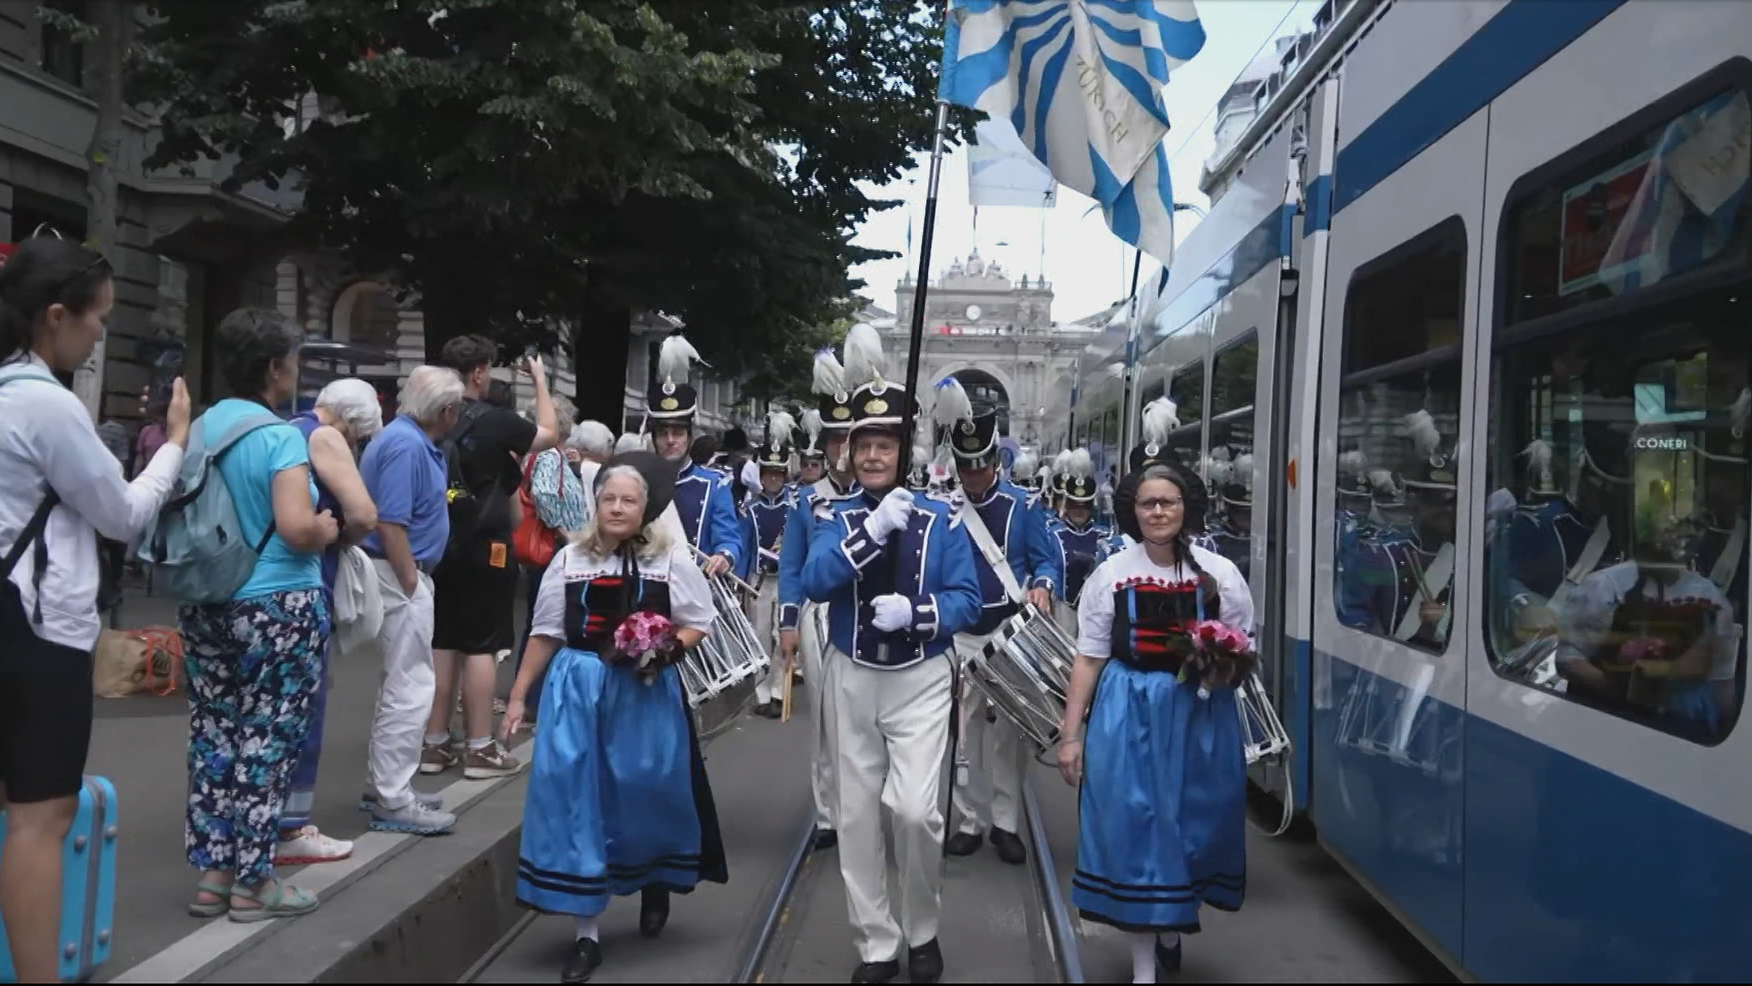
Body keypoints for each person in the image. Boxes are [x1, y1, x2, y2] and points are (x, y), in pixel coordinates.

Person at [0, 237, 189, 981]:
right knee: (39, 818)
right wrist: (173, 446)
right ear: (55, 316)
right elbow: (122, 514)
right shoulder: (47, 406)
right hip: (36, 630)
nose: (102, 330)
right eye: (98, 317)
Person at [502, 451, 727, 984]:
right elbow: (546, 632)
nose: (617, 507)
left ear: (644, 508)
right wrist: (517, 696)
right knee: (578, 798)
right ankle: (587, 935)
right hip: (578, 688)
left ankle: (653, 882)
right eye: (609, 499)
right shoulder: (569, 559)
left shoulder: (670, 560)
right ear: (595, 504)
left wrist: (661, 647)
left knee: (645, 789)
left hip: (644, 692)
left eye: (628, 500)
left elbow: (698, 622)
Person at [803, 324, 981, 985]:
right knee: (854, 814)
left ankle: (923, 928)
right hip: (852, 673)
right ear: (850, 452)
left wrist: (920, 614)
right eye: (864, 445)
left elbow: (967, 598)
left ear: (904, 451)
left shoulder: (942, 517)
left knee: (915, 811)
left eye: (885, 444)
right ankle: (877, 942)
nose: (874, 456)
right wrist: (872, 532)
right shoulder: (835, 514)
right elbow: (818, 580)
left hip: (921, 677)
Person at [1057, 461, 1255, 984]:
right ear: (1133, 512)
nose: (1159, 511)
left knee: (1188, 828)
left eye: (1168, 501)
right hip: (1128, 716)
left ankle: (1169, 927)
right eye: (1148, 503)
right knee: (1135, 827)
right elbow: (1089, 658)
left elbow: (1242, 647)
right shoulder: (1112, 574)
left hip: (1198, 717)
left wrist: (1218, 668)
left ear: (1186, 506)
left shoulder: (1219, 575)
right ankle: (1144, 966)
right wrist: (1070, 736)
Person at [179, 308, 340, 922]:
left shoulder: (201, 428)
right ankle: (255, 883)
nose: (295, 372)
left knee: (215, 736)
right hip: (276, 602)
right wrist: (325, 527)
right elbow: (297, 527)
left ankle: (213, 877)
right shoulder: (278, 436)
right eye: (294, 361)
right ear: (274, 367)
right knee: (267, 741)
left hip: (206, 599)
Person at [930, 376, 1060, 867]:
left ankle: (1005, 822)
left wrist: (1044, 585)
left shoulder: (1023, 506)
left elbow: (1045, 561)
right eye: (966, 466)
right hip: (960, 636)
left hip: (1010, 634)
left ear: (995, 461)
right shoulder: (946, 510)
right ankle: (967, 819)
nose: (973, 475)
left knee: (1010, 734)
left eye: (981, 465)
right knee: (963, 735)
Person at [424, 335, 559, 781]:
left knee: (443, 641)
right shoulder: (496, 422)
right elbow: (549, 434)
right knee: (481, 645)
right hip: (488, 545)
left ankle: (435, 742)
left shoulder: (433, 416)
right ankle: (480, 747)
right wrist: (539, 381)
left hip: (441, 542)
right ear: (479, 372)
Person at [278, 377, 383, 865]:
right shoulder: (325, 437)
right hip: (305, 579)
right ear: (353, 424)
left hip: (256, 585)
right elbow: (363, 513)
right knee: (305, 703)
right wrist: (341, 534)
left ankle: (254, 822)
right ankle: (292, 824)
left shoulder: (284, 429)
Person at [358, 365, 465, 835]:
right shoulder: (407, 446)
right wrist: (410, 582)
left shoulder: (403, 439)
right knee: (411, 687)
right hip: (402, 575)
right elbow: (391, 522)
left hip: (400, 573)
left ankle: (386, 786)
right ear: (446, 410)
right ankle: (393, 797)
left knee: (402, 685)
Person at [776, 351, 861, 849]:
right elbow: (791, 566)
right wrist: (788, 624)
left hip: (873, 615)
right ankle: (829, 813)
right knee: (827, 720)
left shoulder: (886, 495)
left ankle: (863, 808)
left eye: (851, 439)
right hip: (821, 616)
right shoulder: (806, 499)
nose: (843, 449)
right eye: (835, 440)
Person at [511, 418, 614, 726]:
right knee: (550, 626)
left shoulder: (554, 458)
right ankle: (535, 700)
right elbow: (544, 496)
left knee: (544, 625)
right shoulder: (549, 457)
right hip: (558, 551)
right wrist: (566, 536)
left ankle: (533, 697)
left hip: (563, 550)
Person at [644, 332, 741, 578]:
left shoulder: (714, 483)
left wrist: (724, 556)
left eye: (677, 432)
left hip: (697, 589)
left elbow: (729, 539)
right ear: (653, 437)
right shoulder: (638, 483)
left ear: (689, 436)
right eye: (662, 433)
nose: (670, 440)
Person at [747, 410, 798, 718]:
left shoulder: (793, 508)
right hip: (759, 581)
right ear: (762, 474)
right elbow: (745, 546)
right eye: (769, 473)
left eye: (779, 473)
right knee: (760, 636)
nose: (774, 478)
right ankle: (761, 693)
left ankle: (780, 691)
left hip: (785, 580)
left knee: (783, 639)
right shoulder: (750, 509)